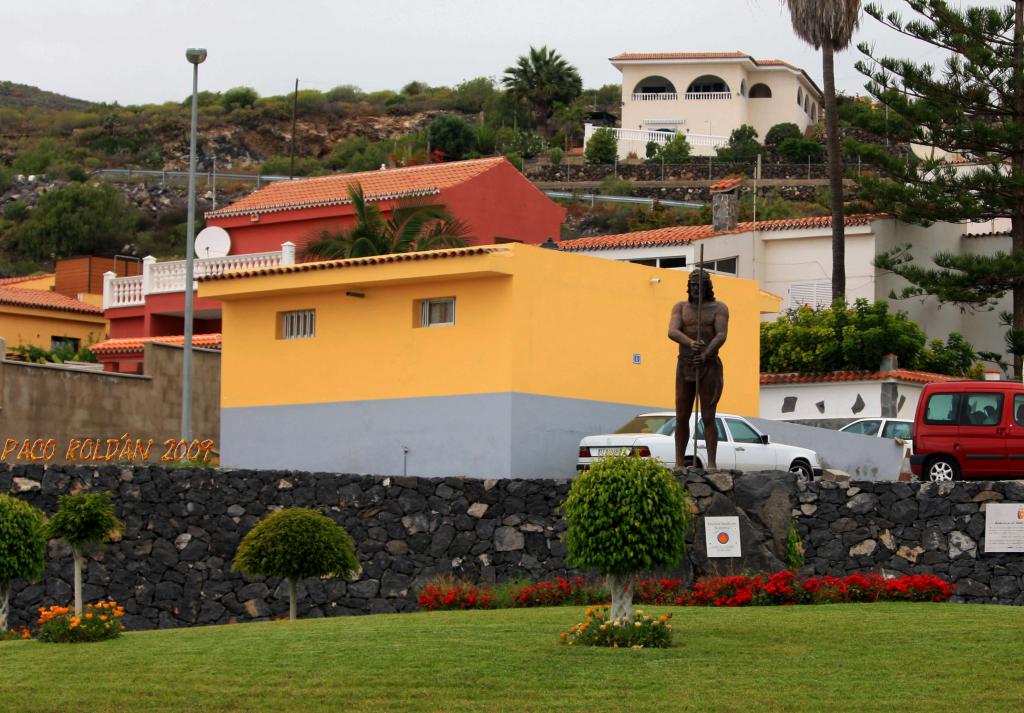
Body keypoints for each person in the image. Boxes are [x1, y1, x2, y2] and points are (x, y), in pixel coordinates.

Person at [667, 269, 729, 470]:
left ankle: (711, 463)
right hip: (685, 364)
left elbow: (721, 335)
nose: (695, 289)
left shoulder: (719, 308)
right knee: (681, 415)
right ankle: (679, 463)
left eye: (699, 285)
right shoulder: (680, 307)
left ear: (707, 287)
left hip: (708, 365)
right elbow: (672, 331)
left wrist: (705, 353)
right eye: (692, 285)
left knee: (708, 417)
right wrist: (690, 342)